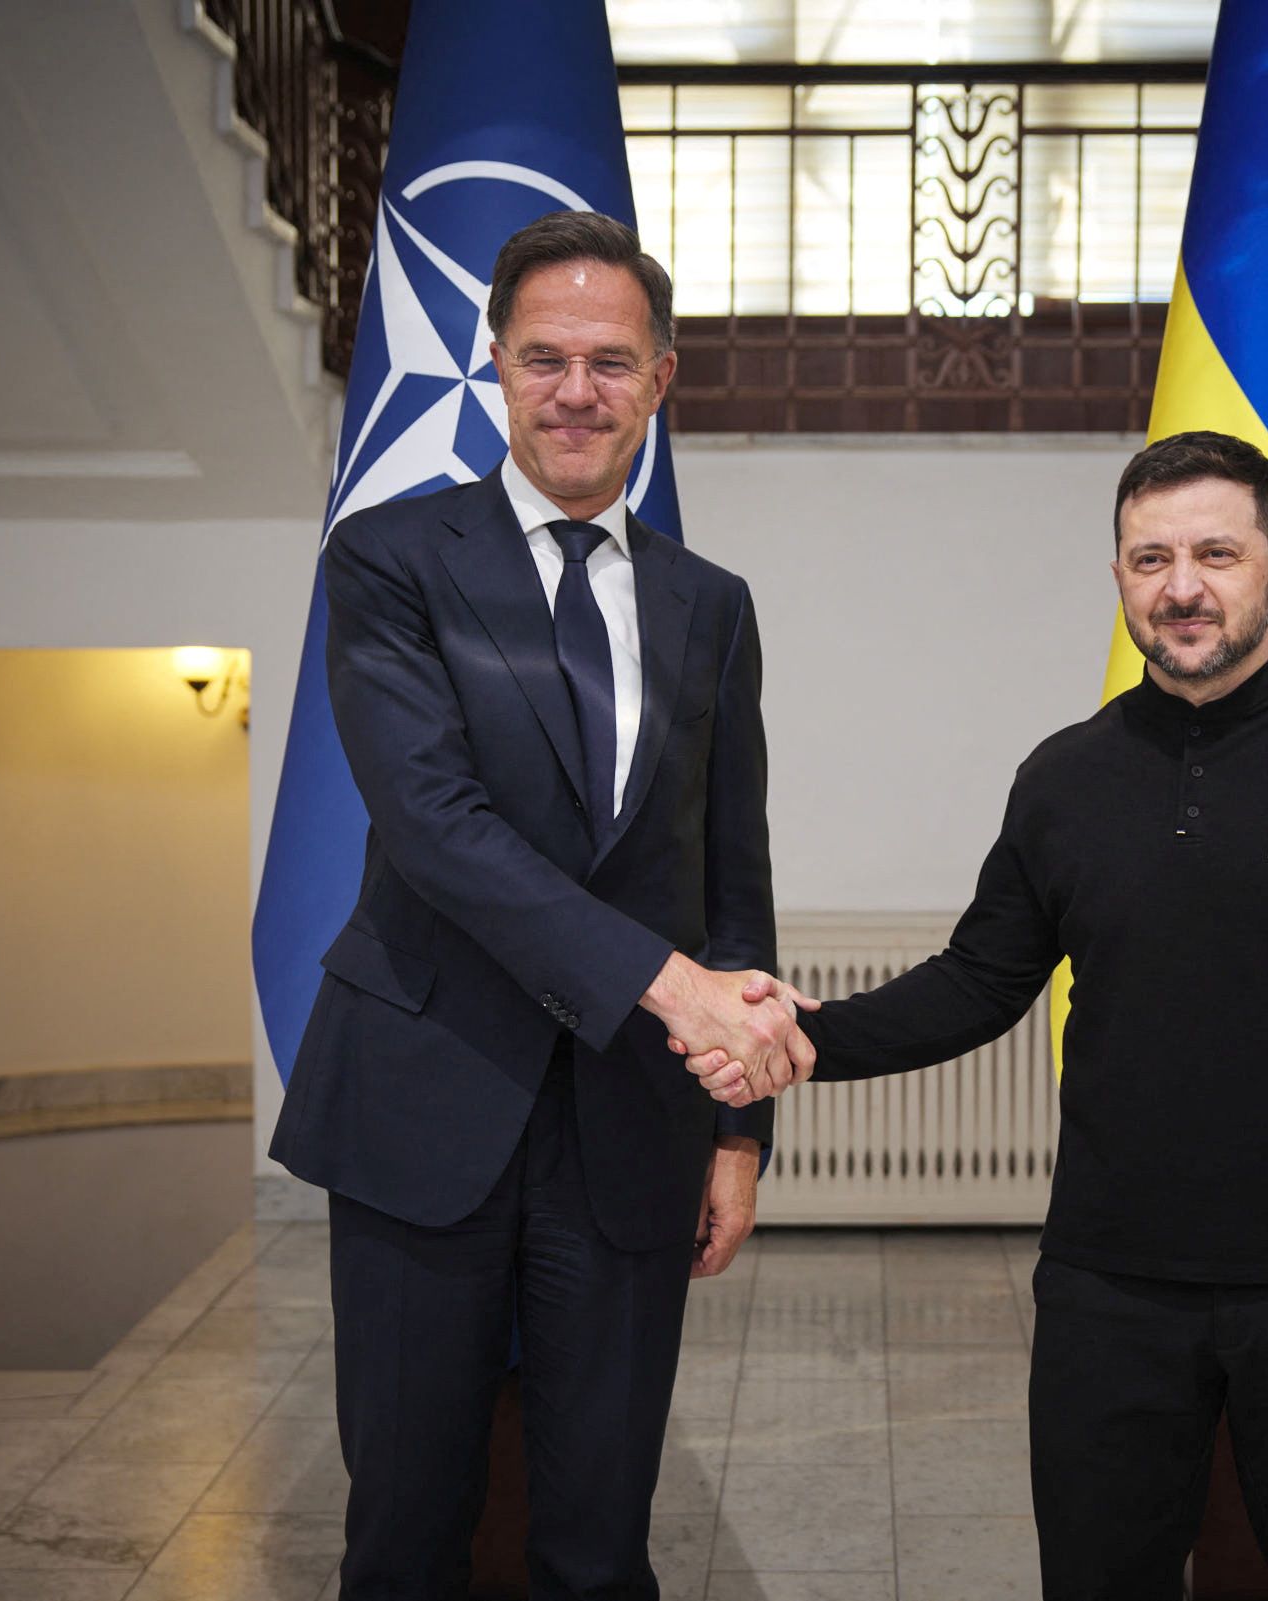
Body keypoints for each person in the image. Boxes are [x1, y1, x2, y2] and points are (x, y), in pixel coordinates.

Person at [686, 430, 1268, 1599]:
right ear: (1118, 574)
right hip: (1106, 1288)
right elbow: (979, 980)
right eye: (1150, 556)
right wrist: (797, 1040)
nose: (1182, 586)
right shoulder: (1064, 777)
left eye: (1217, 552)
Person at [270, 210, 811, 1601]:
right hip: (419, 1108)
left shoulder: (713, 604)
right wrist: (675, 987)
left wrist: (737, 1127)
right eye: (546, 357)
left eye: (611, 362)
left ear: (661, 381)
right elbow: (436, 829)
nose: (578, 390)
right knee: (405, 1529)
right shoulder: (390, 561)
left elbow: (727, 874)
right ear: (496, 366)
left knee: (598, 1540)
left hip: (632, 1127)